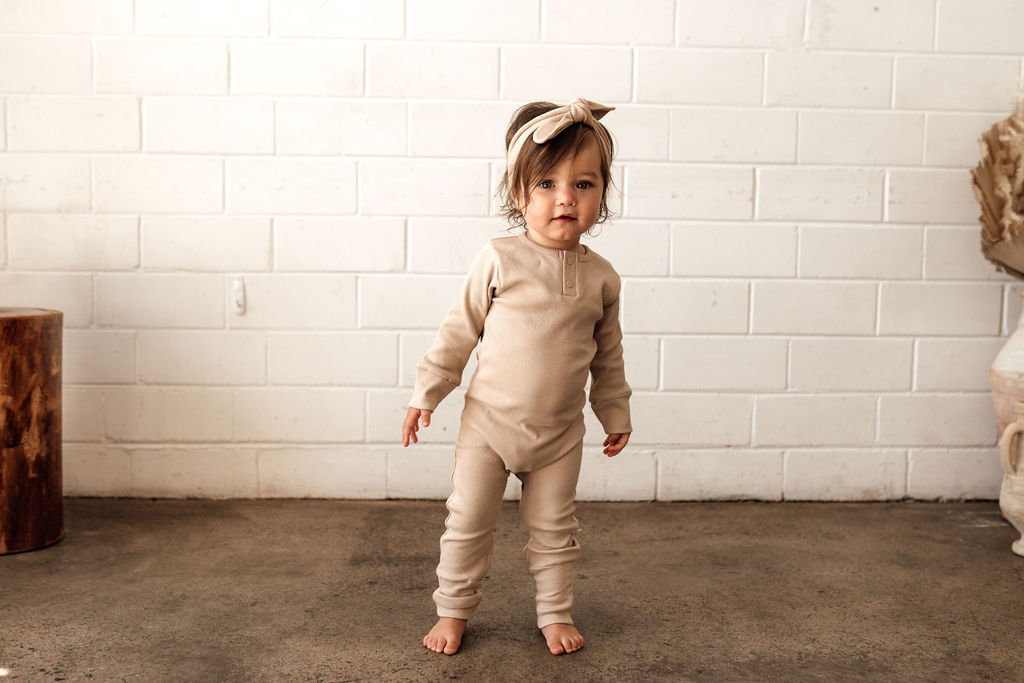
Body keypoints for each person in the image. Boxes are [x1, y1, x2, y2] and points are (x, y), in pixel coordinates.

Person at [401, 98, 632, 656]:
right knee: (469, 522)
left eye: (583, 184)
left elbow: (608, 357)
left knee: (555, 531)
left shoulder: (602, 278)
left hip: (558, 437)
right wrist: (427, 394)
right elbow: (459, 331)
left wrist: (616, 412)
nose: (565, 199)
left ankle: (555, 614)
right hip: (489, 429)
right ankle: (452, 611)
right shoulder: (500, 259)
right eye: (547, 184)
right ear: (518, 194)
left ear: (602, 195)